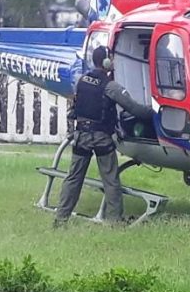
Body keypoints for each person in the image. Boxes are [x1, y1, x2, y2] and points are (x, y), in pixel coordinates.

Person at [53, 45, 154, 227]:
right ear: (107, 62)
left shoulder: (81, 80)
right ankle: (115, 221)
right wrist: (155, 111)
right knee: (110, 180)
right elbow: (134, 108)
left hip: (81, 135)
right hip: (101, 138)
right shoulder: (111, 86)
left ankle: (61, 219)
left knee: (74, 178)